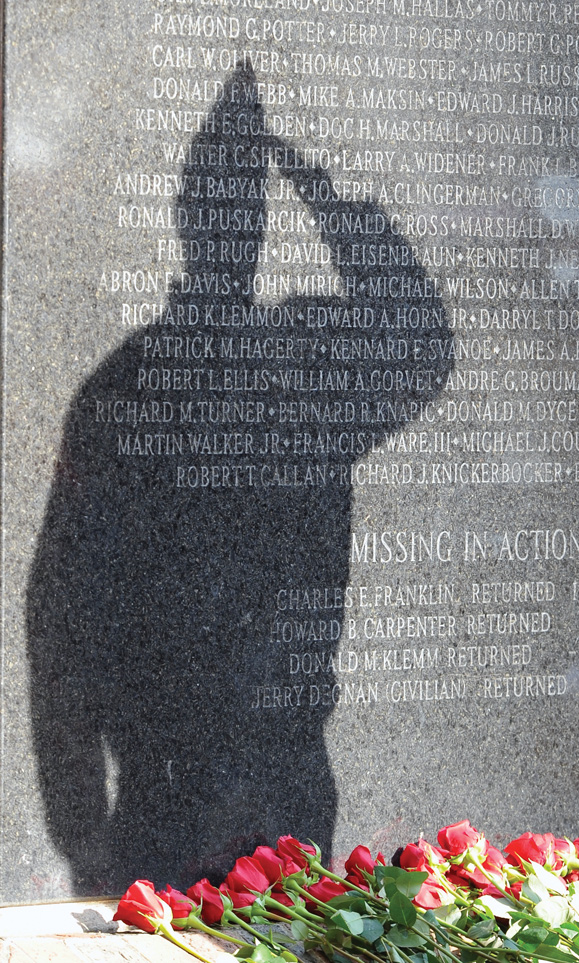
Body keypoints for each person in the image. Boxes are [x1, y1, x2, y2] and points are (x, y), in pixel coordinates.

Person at [26, 67, 453, 893]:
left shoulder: (296, 355)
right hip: (164, 797)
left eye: (246, 201)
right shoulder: (138, 382)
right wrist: (81, 844)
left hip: (286, 784)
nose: (237, 221)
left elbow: (421, 341)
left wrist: (315, 182)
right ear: (191, 216)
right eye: (227, 200)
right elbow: (62, 625)